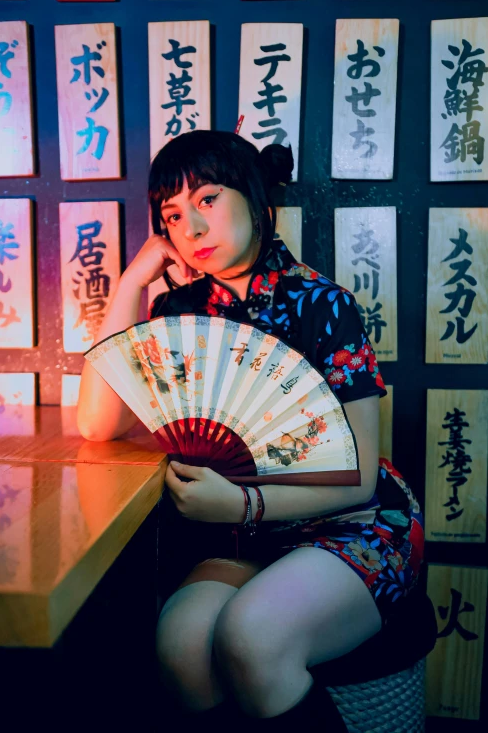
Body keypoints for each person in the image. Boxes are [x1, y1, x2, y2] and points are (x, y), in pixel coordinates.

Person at [77, 130, 425, 731]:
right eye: (173, 215)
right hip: (244, 539)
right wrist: (134, 282)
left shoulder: (325, 305)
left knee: (252, 636)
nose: (191, 227)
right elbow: (98, 424)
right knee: (180, 646)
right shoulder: (176, 315)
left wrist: (240, 503)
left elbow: (359, 477)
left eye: (208, 200)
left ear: (259, 201)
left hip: (351, 524)